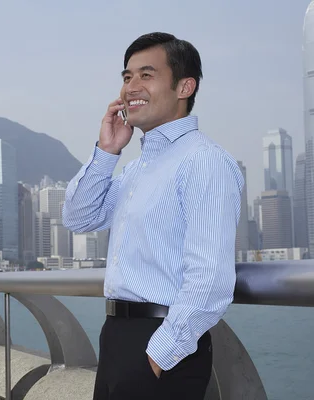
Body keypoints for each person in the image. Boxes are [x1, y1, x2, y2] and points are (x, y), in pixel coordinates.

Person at [62, 32, 244, 399]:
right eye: (127, 76)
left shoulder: (203, 160)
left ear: (184, 87)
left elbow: (210, 278)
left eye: (147, 74)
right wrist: (107, 151)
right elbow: (79, 217)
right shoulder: (135, 170)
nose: (131, 86)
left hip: (160, 347)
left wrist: (157, 357)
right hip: (117, 338)